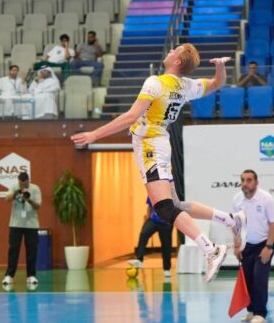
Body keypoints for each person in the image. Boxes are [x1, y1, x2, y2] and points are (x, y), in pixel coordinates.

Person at [71, 44, 242, 283]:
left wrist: (93, 135)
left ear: (178, 62)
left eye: (176, 50)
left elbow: (131, 116)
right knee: (176, 205)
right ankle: (230, 219)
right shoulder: (185, 86)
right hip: (160, 142)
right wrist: (221, 68)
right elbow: (217, 84)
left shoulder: (156, 82)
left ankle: (210, 249)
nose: (171, 50)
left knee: (164, 209)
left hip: (151, 145)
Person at [232, 169, 274, 323]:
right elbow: (235, 225)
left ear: (256, 183)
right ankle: (251, 311)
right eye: (243, 180)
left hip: (263, 244)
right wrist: (236, 245)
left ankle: (260, 314)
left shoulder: (266, 199)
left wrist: (269, 247)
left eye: (249, 180)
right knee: (248, 279)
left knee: (259, 278)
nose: (245, 183)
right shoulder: (237, 200)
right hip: (246, 245)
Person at [2, 172, 42, 287]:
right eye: (20, 184)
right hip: (15, 224)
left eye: (24, 184)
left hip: (31, 225)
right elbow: (7, 199)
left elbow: (38, 206)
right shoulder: (15, 187)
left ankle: (31, 276)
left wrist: (28, 199)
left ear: (28, 181)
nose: (23, 186)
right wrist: (16, 192)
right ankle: (9, 276)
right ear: (18, 181)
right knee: (13, 250)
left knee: (31, 251)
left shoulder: (35, 189)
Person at [128, 197, 173, 278]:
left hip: (166, 223)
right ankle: (139, 259)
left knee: (166, 245)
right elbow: (149, 206)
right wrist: (148, 218)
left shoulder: (169, 192)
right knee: (144, 234)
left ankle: (167, 269)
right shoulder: (151, 190)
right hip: (153, 220)